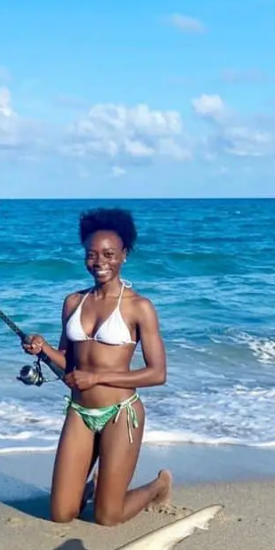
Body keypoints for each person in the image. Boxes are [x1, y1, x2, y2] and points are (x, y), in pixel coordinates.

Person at [23, 207, 171, 526]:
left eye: (109, 254)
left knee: (107, 516)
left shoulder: (140, 307)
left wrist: (98, 376)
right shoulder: (73, 302)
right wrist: (43, 348)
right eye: (92, 254)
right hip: (80, 412)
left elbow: (157, 373)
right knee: (62, 514)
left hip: (121, 413)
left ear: (124, 255)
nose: (100, 261)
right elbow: (69, 368)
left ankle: (158, 486)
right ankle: (94, 488)